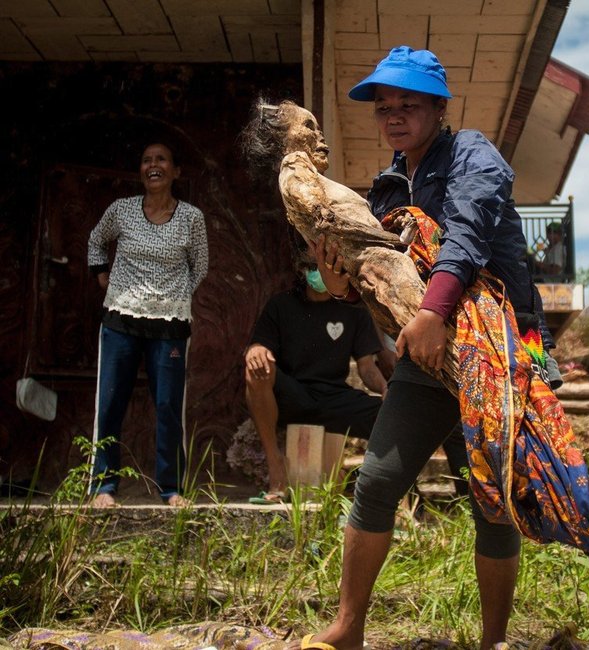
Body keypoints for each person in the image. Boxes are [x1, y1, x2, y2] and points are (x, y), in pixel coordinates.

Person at [292, 45, 536, 650]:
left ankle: (494, 642)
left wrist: (432, 311)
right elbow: (375, 280)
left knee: (492, 500)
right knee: (376, 483)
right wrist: (344, 284)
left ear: (437, 107)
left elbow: (467, 234)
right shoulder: (388, 187)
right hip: (428, 361)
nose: (394, 116)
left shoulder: (474, 155)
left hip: (500, 357)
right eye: (384, 107)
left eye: (408, 103)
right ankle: (348, 628)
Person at [86, 141, 208, 508]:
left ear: (175, 171)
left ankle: (171, 489)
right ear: (141, 170)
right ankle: (103, 487)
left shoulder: (191, 217)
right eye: (146, 160)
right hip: (120, 318)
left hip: (169, 325)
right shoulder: (121, 211)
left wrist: (175, 296)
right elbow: (96, 241)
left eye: (161, 160)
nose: (153, 165)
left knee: (169, 406)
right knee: (109, 403)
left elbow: (199, 266)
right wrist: (103, 277)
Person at [243, 239, 389, 504]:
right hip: (293, 396)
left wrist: (385, 390)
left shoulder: (354, 311)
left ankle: (384, 492)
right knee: (257, 370)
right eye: (309, 266)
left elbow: (366, 368)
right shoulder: (281, 305)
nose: (315, 272)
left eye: (320, 266)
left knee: (392, 417)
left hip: (334, 397)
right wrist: (256, 350)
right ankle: (276, 467)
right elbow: (259, 345)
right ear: (300, 270)